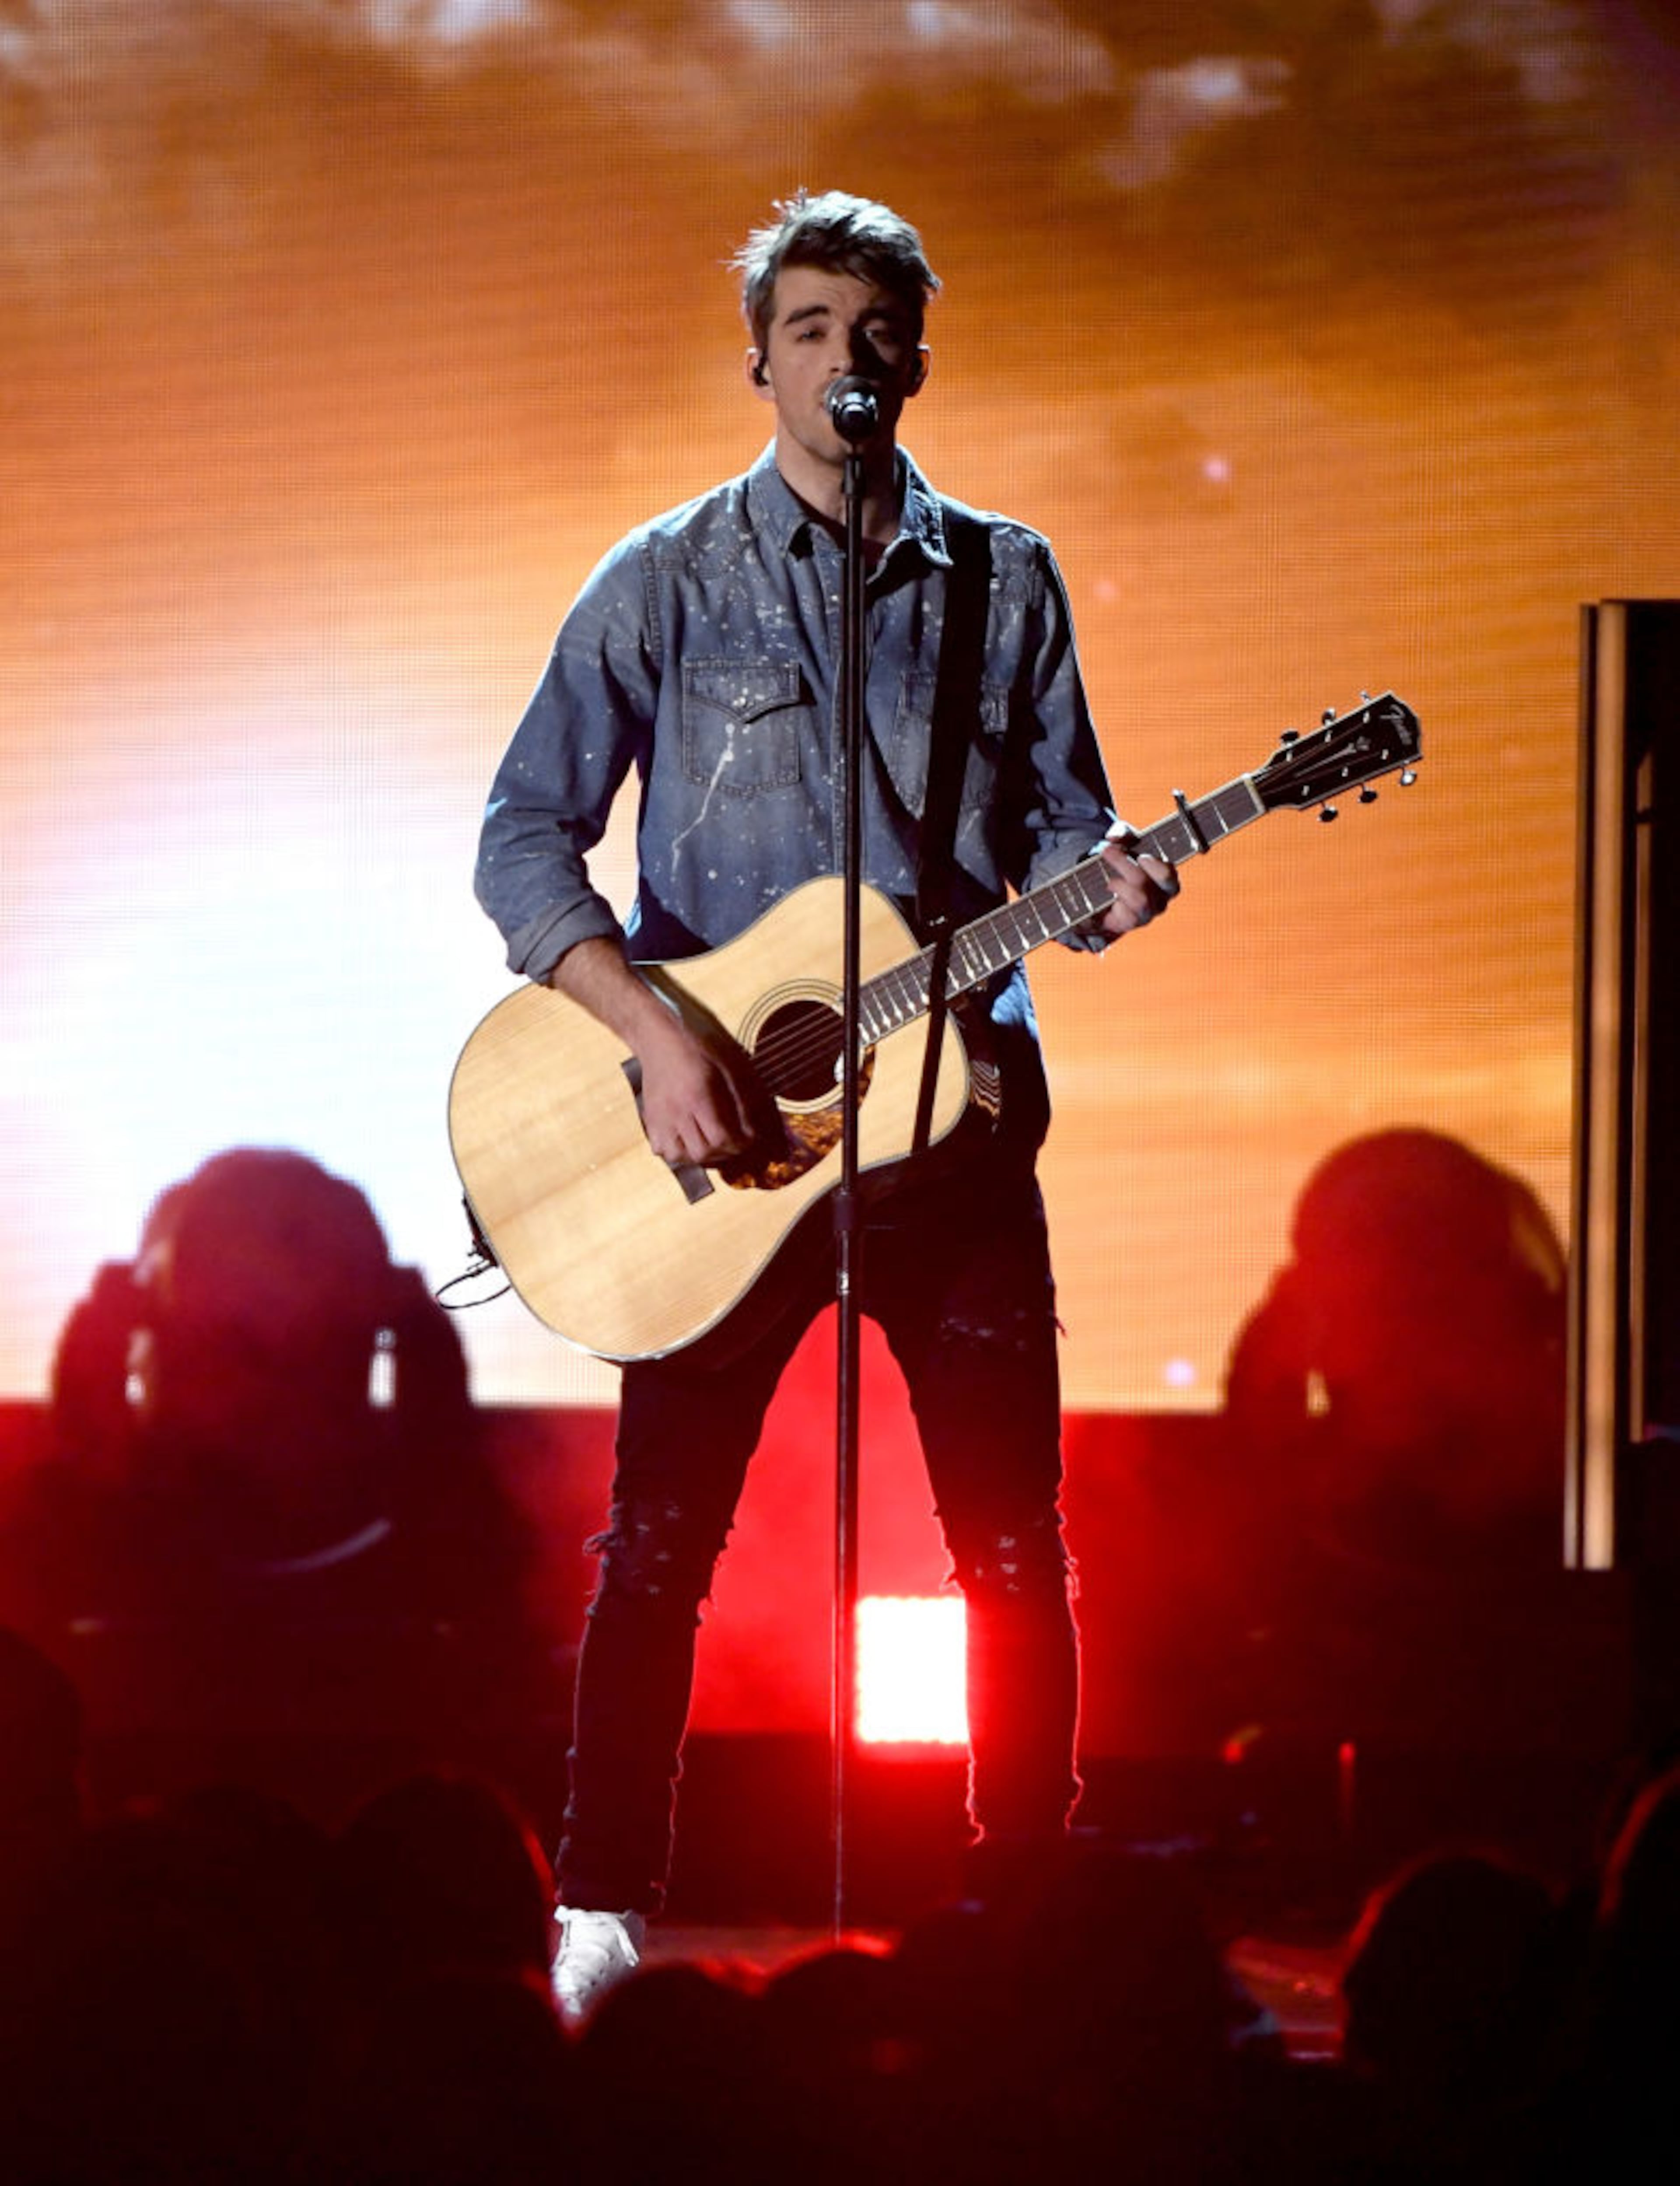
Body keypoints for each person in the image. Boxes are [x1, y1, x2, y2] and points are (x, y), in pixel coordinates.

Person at [473, 189, 1179, 2022]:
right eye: (809, 328)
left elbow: (1058, 822)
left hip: (953, 1133)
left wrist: (1100, 875)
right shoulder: (665, 576)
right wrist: (656, 1033)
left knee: (1013, 1542)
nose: (845, 360)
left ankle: (1022, 1915)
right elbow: (522, 837)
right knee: (656, 1550)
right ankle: (606, 1910)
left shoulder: (1004, 577)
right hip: (721, 1148)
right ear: (760, 356)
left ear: (916, 356)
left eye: (876, 331)